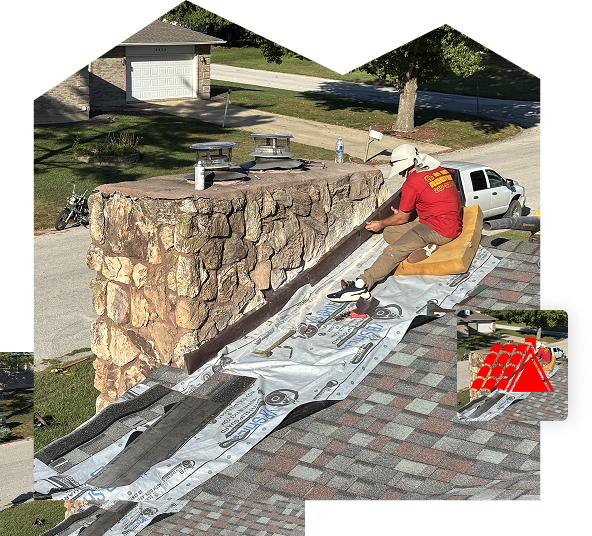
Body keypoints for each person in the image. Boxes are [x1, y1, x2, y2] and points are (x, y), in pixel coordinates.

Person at [327, 144, 463, 302]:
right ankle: (428, 246)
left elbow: (402, 219)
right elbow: (429, 198)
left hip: (439, 228)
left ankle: (361, 285)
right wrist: (398, 218)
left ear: (405, 166)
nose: (399, 173)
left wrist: (380, 223)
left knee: (393, 250)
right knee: (390, 233)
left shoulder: (412, 182)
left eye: (399, 168)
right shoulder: (437, 170)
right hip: (446, 222)